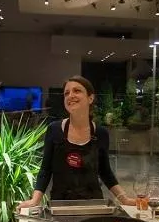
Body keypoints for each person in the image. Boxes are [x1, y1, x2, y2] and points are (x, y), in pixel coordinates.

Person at [19, 76, 136, 208]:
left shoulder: (101, 133)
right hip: (60, 205)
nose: (70, 96)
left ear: (90, 98)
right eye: (66, 93)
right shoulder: (54, 129)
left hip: (94, 205)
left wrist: (124, 199)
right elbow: (45, 170)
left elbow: (105, 171)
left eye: (77, 91)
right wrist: (34, 200)